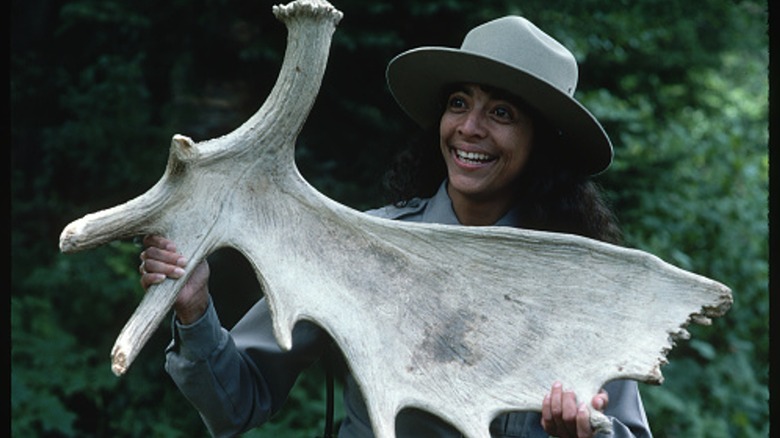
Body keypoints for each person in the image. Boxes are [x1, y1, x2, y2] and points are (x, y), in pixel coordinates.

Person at [139, 16, 652, 438]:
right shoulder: (359, 249)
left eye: (501, 112)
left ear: (543, 144)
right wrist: (195, 309)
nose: (469, 128)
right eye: (458, 103)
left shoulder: (582, 291)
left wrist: (589, 434)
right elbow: (237, 403)